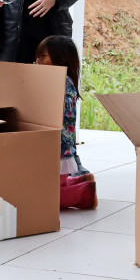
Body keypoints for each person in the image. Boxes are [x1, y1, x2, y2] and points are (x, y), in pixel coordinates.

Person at [35, 35, 96, 209]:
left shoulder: (63, 83)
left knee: (43, 200)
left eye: (43, 56)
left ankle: (84, 194)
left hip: (57, 153)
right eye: (37, 55)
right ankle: (79, 181)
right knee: (49, 186)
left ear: (60, 57)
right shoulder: (56, 81)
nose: (37, 60)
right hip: (53, 151)